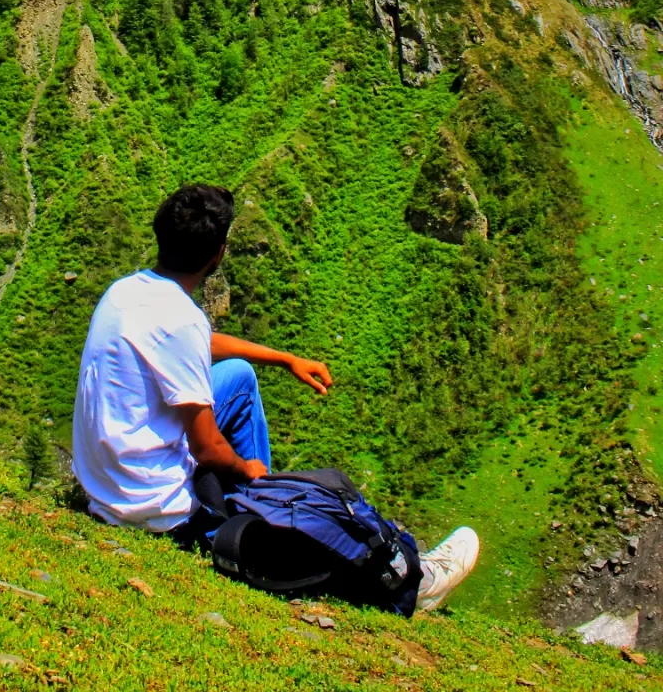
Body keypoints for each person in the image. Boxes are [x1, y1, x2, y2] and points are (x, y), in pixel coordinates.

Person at [72, 183, 479, 611]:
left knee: (238, 377)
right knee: (314, 518)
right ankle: (410, 578)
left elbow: (197, 343)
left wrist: (285, 359)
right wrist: (247, 468)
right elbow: (207, 448)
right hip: (153, 512)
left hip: (107, 487)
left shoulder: (127, 292)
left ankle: (261, 501)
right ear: (219, 252)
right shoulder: (180, 320)